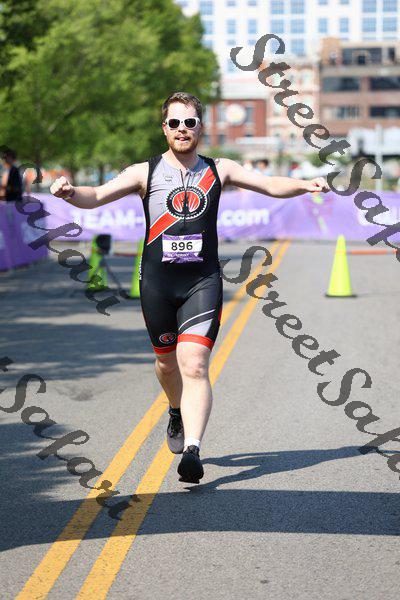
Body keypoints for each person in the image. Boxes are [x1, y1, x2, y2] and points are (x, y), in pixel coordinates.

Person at [50, 91, 329, 484]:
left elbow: (268, 184)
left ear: (201, 127)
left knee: (195, 364)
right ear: (164, 128)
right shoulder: (143, 172)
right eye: (175, 123)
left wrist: (305, 184)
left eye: (190, 122)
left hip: (202, 281)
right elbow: (94, 196)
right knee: (167, 364)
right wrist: (69, 193)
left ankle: (193, 451)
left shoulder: (220, 169)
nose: (182, 129)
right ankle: (176, 410)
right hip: (158, 284)